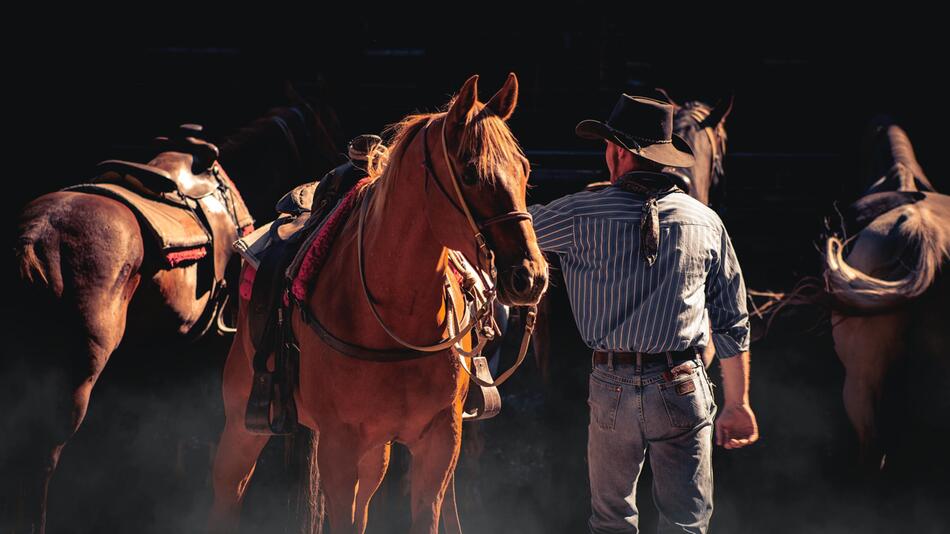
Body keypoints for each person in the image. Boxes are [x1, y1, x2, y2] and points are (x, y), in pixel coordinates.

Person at [528, 94, 759, 533]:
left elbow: (510, 232)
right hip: (682, 385)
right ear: (664, 158)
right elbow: (732, 322)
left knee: (612, 522)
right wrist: (738, 403)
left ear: (616, 152)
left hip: (611, 386)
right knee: (685, 523)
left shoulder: (577, 214)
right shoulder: (706, 221)